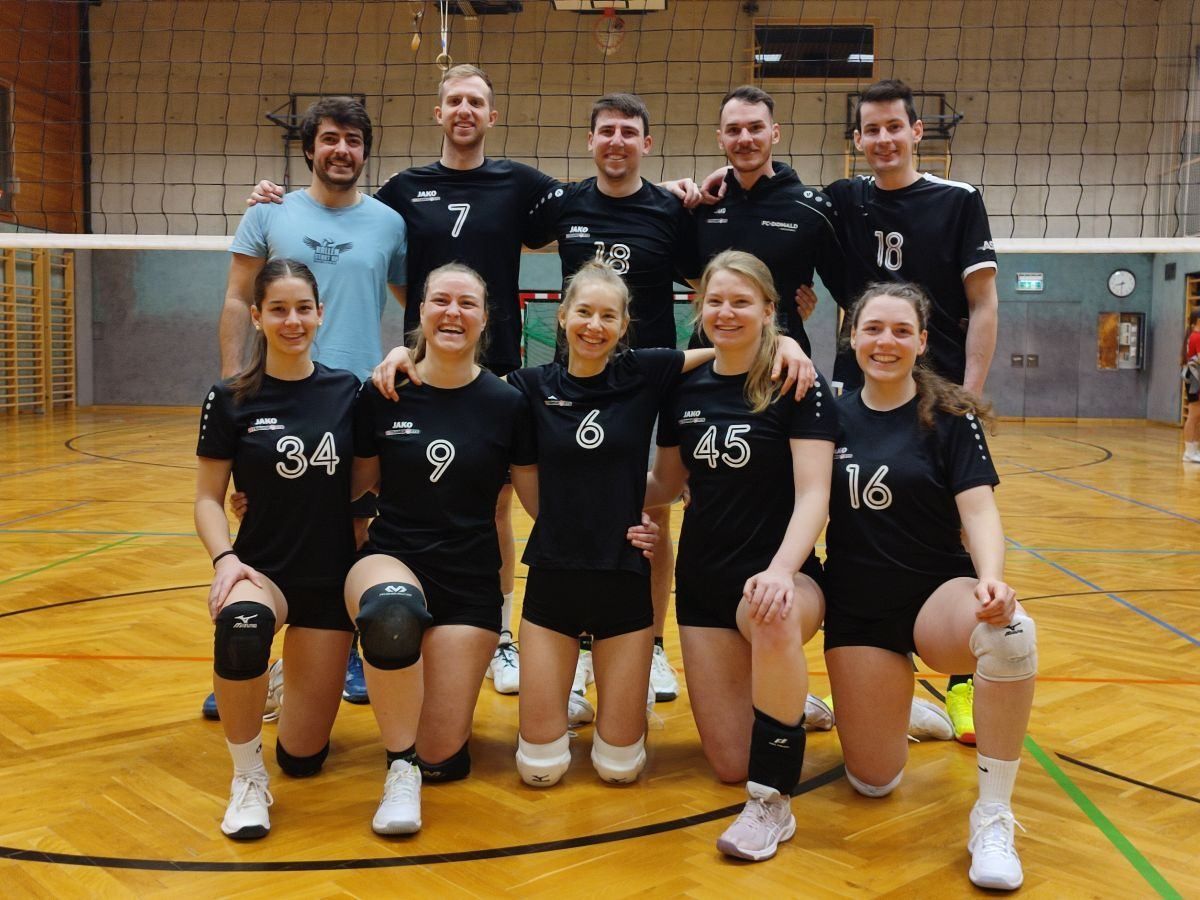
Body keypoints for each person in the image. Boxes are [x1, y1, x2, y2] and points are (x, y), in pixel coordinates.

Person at [253, 69, 700, 698]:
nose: (466, 111)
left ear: (493, 116)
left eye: (478, 103)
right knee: (395, 495)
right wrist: (280, 199)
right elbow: (347, 214)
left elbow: (610, 196)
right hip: (423, 370)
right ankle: (373, 625)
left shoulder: (526, 186)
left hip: (503, 372)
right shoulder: (403, 189)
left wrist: (678, 190)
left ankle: (516, 632)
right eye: (456, 101)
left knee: (508, 500)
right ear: (439, 112)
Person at [523, 93, 800, 707]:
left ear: (646, 145)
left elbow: (723, 281)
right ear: (591, 141)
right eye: (606, 132)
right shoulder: (563, 205)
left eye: (629, 132)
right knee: (573, 508)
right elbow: (489, 227)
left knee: (653, 514)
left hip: (648, 386)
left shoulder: (671, 210)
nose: (616, 142)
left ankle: (643, 647)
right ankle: (572, 651)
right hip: (574, 383)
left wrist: (782, 335)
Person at [822, 282, 1036, 891]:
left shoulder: (949, 419)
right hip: (857, 612)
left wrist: (992, 580)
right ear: (853, 337)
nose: (884, 341)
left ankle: (993, 813)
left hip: (935, 600)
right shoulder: (829, 417)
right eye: (872, 329)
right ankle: (904, 708)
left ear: (920, 341)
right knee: (873, 782)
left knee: (1012, 630)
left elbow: (979, 511)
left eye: (899, 331)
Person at [212, 96, 407, 716]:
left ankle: (343, 650)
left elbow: (413, 297)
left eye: (352, 139)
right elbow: (237, 295)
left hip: (354, 402)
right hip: (276, 396)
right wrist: (233, 388)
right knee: (266, 529)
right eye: (329, 139)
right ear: (309, 148)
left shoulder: (389, 223)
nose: (341, 150)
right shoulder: (270, 212)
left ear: (365, 151)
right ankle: (252, 660)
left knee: (354, 525)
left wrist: (406, 358)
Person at [645, 251, 835, 862]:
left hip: (785, 579)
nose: (726, 313)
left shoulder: (796, 382)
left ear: (769, 311)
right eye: (715, 301)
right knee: (728, 762)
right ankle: (784, 696)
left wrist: (782, 570)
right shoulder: (683, 386)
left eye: (741, 302)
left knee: (770, 613)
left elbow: (814, 493)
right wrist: (585, 491)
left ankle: (772, 803)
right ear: (699, 309)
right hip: (704, 582)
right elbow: (666, 486)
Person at [345, 263, 541, 834]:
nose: (453, 312)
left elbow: (538, 505)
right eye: (440, 301)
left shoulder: (507, 404)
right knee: (391, 613)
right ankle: (396, 770)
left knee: (443, 758)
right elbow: (352, 485)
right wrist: (267, 494)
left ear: (485, 319)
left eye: (468, 304)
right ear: (421, 312)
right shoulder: (384, 391)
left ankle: (420, 758)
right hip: (392, 559)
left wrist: (624, 524)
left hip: (468, 581)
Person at [196, 259, 360, 839]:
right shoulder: (231, 397)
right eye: (279, 310)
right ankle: (245, 777)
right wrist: (226, 560)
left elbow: (369, 483)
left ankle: (289, 677)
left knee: (304, 757)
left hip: (330, 580)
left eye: (303, 308)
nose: (293, 321)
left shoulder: (349, 392)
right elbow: (208, 500)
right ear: (259, 318)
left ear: (320, 313)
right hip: (262, 569)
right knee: (242, 625)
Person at [683, 85, 845, 356]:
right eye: (733, 130)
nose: (745, 139)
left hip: (780, 361)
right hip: (709, 359)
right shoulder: (703, 204)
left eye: (756, 128)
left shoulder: (811, 210)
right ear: (721, 138)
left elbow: (850, 294)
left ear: (775, 133)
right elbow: (690, 273)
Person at [1182, 311, 1200, 462]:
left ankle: (1193, 450)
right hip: (1195, 377)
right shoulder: (1197, 336)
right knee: (1194, 415)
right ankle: (1189, 452)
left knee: (1196, 416)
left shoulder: (1193, 335)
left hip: (1193, 376)